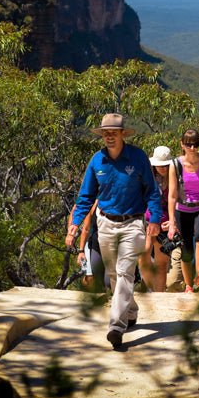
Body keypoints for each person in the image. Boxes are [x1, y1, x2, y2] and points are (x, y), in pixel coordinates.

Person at [65, 113, 161, 349]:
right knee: (115, 276)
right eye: (105, 133)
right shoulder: (97, 161)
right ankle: (131, 311)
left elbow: (152, 191)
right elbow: (86, 196)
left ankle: (116, 327)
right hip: (105, 224)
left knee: (125, 272)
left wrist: (155, 218)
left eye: (113, 132)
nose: (109, 136)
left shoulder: (137, 158)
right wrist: (75, 223)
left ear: (122, 134)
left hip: (132, 224)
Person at [167, 129, 199, 293]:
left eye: (195, 144)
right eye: (188, 144)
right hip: (182, 209)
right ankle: (189, 285)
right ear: (182, 144)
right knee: (186, 248)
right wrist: (171, 222)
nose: (192, 147)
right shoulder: (175, 165)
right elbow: (172, 195)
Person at [139, 146, 172, 292]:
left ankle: (159, 295)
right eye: (160, 165)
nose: (163, 168)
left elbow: (177, 202)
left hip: (166, 223)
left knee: (162, 262)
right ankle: (150, 287)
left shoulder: (174, 180)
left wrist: (172, 222)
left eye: (166, 165)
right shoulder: (148, 178)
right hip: (148, 221)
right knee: (144, 252)